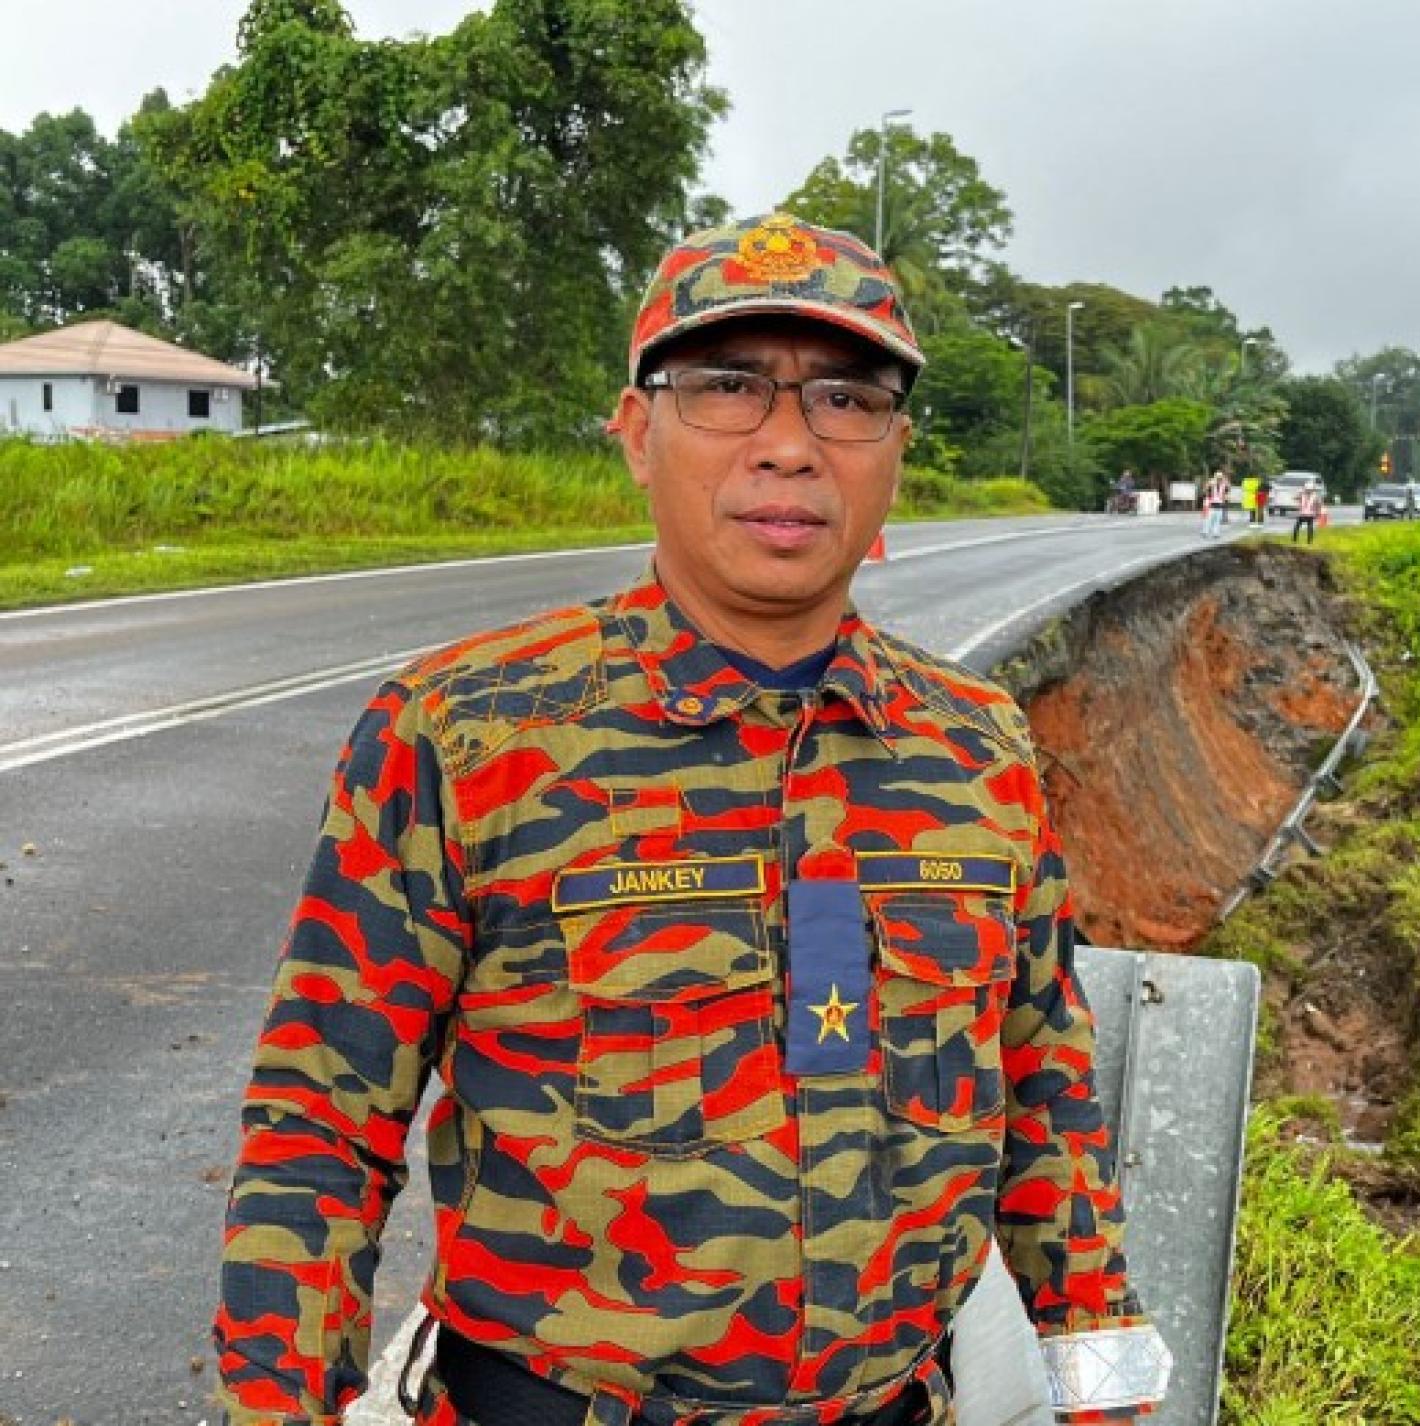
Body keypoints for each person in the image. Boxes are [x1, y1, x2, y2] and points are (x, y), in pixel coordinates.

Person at [212, 213, 1167, 1426]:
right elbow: (320, 1125)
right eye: (726, 388)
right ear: (634, 433)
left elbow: (1047, 1099)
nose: (789, 446)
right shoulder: (465, 736)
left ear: (898, 446)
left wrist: (1108, 1395)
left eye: (845, 398)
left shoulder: (978, 751)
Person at [1200, 469, 1230, 539]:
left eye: (1220, 477)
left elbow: (1228, 489)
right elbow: (1205, 490)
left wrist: (1226, 480)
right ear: (1215, 477)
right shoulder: (1211, 484)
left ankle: (1216, 533)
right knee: (1208, 519)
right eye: (1218, 477)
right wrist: (1209, 485)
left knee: (1217, 520)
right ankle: (1205, 532)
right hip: (1211, 504)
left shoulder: (1224, 485)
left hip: (1219, 504)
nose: (1219, 479)